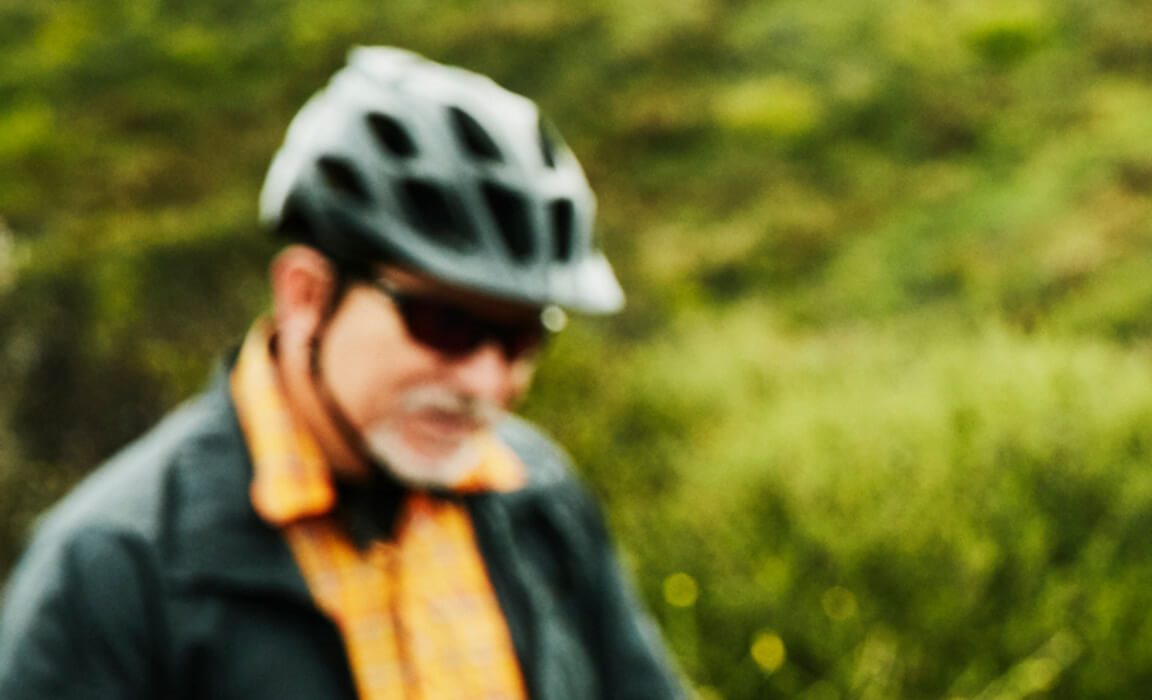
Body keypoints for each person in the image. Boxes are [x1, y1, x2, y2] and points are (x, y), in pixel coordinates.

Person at [0, 47, 685, 699]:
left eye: (521, 337)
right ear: (305, 297)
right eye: (443, 323)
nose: (485, 382)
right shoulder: (114, 570)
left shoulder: (540, 497)